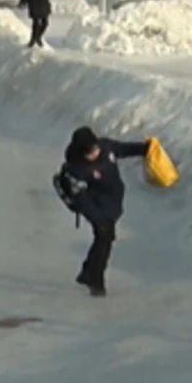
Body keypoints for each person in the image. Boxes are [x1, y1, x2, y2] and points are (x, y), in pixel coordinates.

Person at [60, 126, 151, 298]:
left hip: (113, 203)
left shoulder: (106, 148)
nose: (95, 153)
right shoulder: (76, 170)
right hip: (97, 207)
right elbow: (81, 200)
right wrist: (97, 218)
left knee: (104, 240)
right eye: (89, 152)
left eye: (95, 148)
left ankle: (87, 272)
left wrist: (145, 149)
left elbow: (123, 149)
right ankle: (96, 280)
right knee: (105, 238)